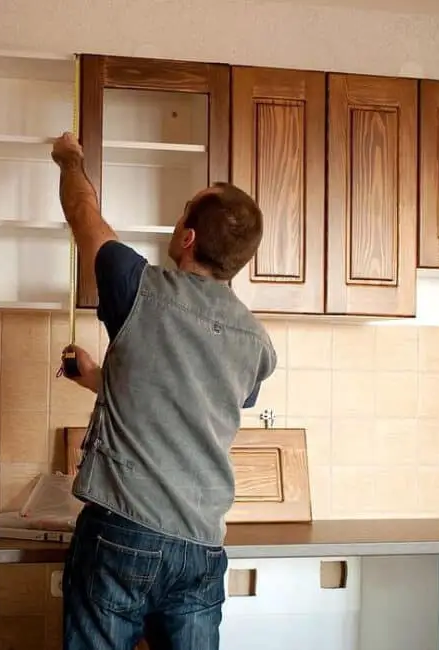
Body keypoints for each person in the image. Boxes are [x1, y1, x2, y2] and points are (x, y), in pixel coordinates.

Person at [50, 131, 278, 650]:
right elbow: (188, 399)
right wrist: (97, 380)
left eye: (183, 215)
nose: (177, 223)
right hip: (200, 549)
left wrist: (70, 161)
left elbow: (84, 215)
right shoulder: (257, 344)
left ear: (189, 238)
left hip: (122, 534)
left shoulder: (137, 287)